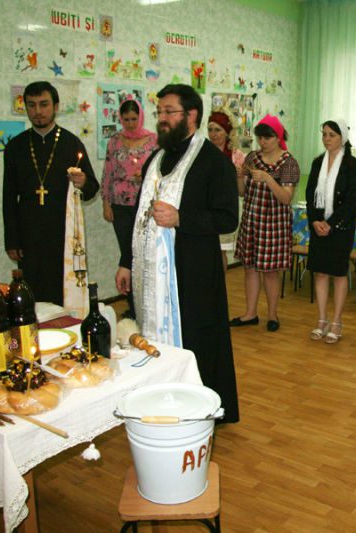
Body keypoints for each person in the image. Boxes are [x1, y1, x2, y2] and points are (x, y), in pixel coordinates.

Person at [115, 84, 240, 424]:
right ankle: (157, 400)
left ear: (191, 115)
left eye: (169, 112)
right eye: (160, 112)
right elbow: (140, 217)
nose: (162, 119)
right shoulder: (156, 159)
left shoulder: (213, 162)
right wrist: (126, 262)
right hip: (149, 277)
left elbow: (228, 218)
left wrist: (181, 218)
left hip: (193, 273)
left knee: (198, 341)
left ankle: (200, 410)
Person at [3, 81, 99, 315]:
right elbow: (9, 196)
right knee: (31, 291)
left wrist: (83, 182)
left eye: (44, 104)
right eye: (31, 105)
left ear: (55, 106)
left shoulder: (71, 143)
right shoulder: (15, 147)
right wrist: (12, 239)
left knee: (62, 289)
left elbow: (92, 188)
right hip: (29, 233)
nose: (38, 111)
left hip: (63, 231)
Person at [231, 115, 300, 332]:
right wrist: (239, 176)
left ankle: (272, 315)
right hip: (252, 221)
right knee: (250, 268)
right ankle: (250, 313)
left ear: (278, 137)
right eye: (260, 138)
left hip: (274, 225)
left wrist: (268, 178)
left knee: (270, 272)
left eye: (267, 138)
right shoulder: (252, 157)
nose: (263, 142)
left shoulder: (288, 162)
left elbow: (286, 198)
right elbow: (242, 193)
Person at [305, 119, 356, 344]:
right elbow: (310, 196)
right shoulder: (317, 162)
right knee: (320, 272)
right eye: (324, 134)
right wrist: (315, 221)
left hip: (341, 226)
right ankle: (322, 319)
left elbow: (351, 199)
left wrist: (330, 223)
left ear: (342, 138)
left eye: (332, 135)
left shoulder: (352, 164)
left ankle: (337, 321)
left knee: (339, 273)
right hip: (319, 226)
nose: (327, 139)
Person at [102, 98, 157, 319]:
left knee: (142, 253)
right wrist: (106, 202)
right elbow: (107, 172)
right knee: (127, 254)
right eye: (126, 119)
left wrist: (145, 176)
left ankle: (146, 304)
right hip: (120, 205)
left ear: (140, 117)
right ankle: (133, 306)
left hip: (145, 205)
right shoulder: (115, 141)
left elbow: (160, 170)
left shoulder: (153, 140)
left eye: (134, 119)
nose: (131, 123)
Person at [207, 110, 247, 272]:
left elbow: (241, 192)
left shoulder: (237, 157)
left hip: (224, 210)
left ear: (227, 132)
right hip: (205, 209)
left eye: (218, 130)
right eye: (210, 129)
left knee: (220, 251)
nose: (213, 134)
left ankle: (219, 284)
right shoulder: (202, 153)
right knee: (205, 251)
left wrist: (239, 176)